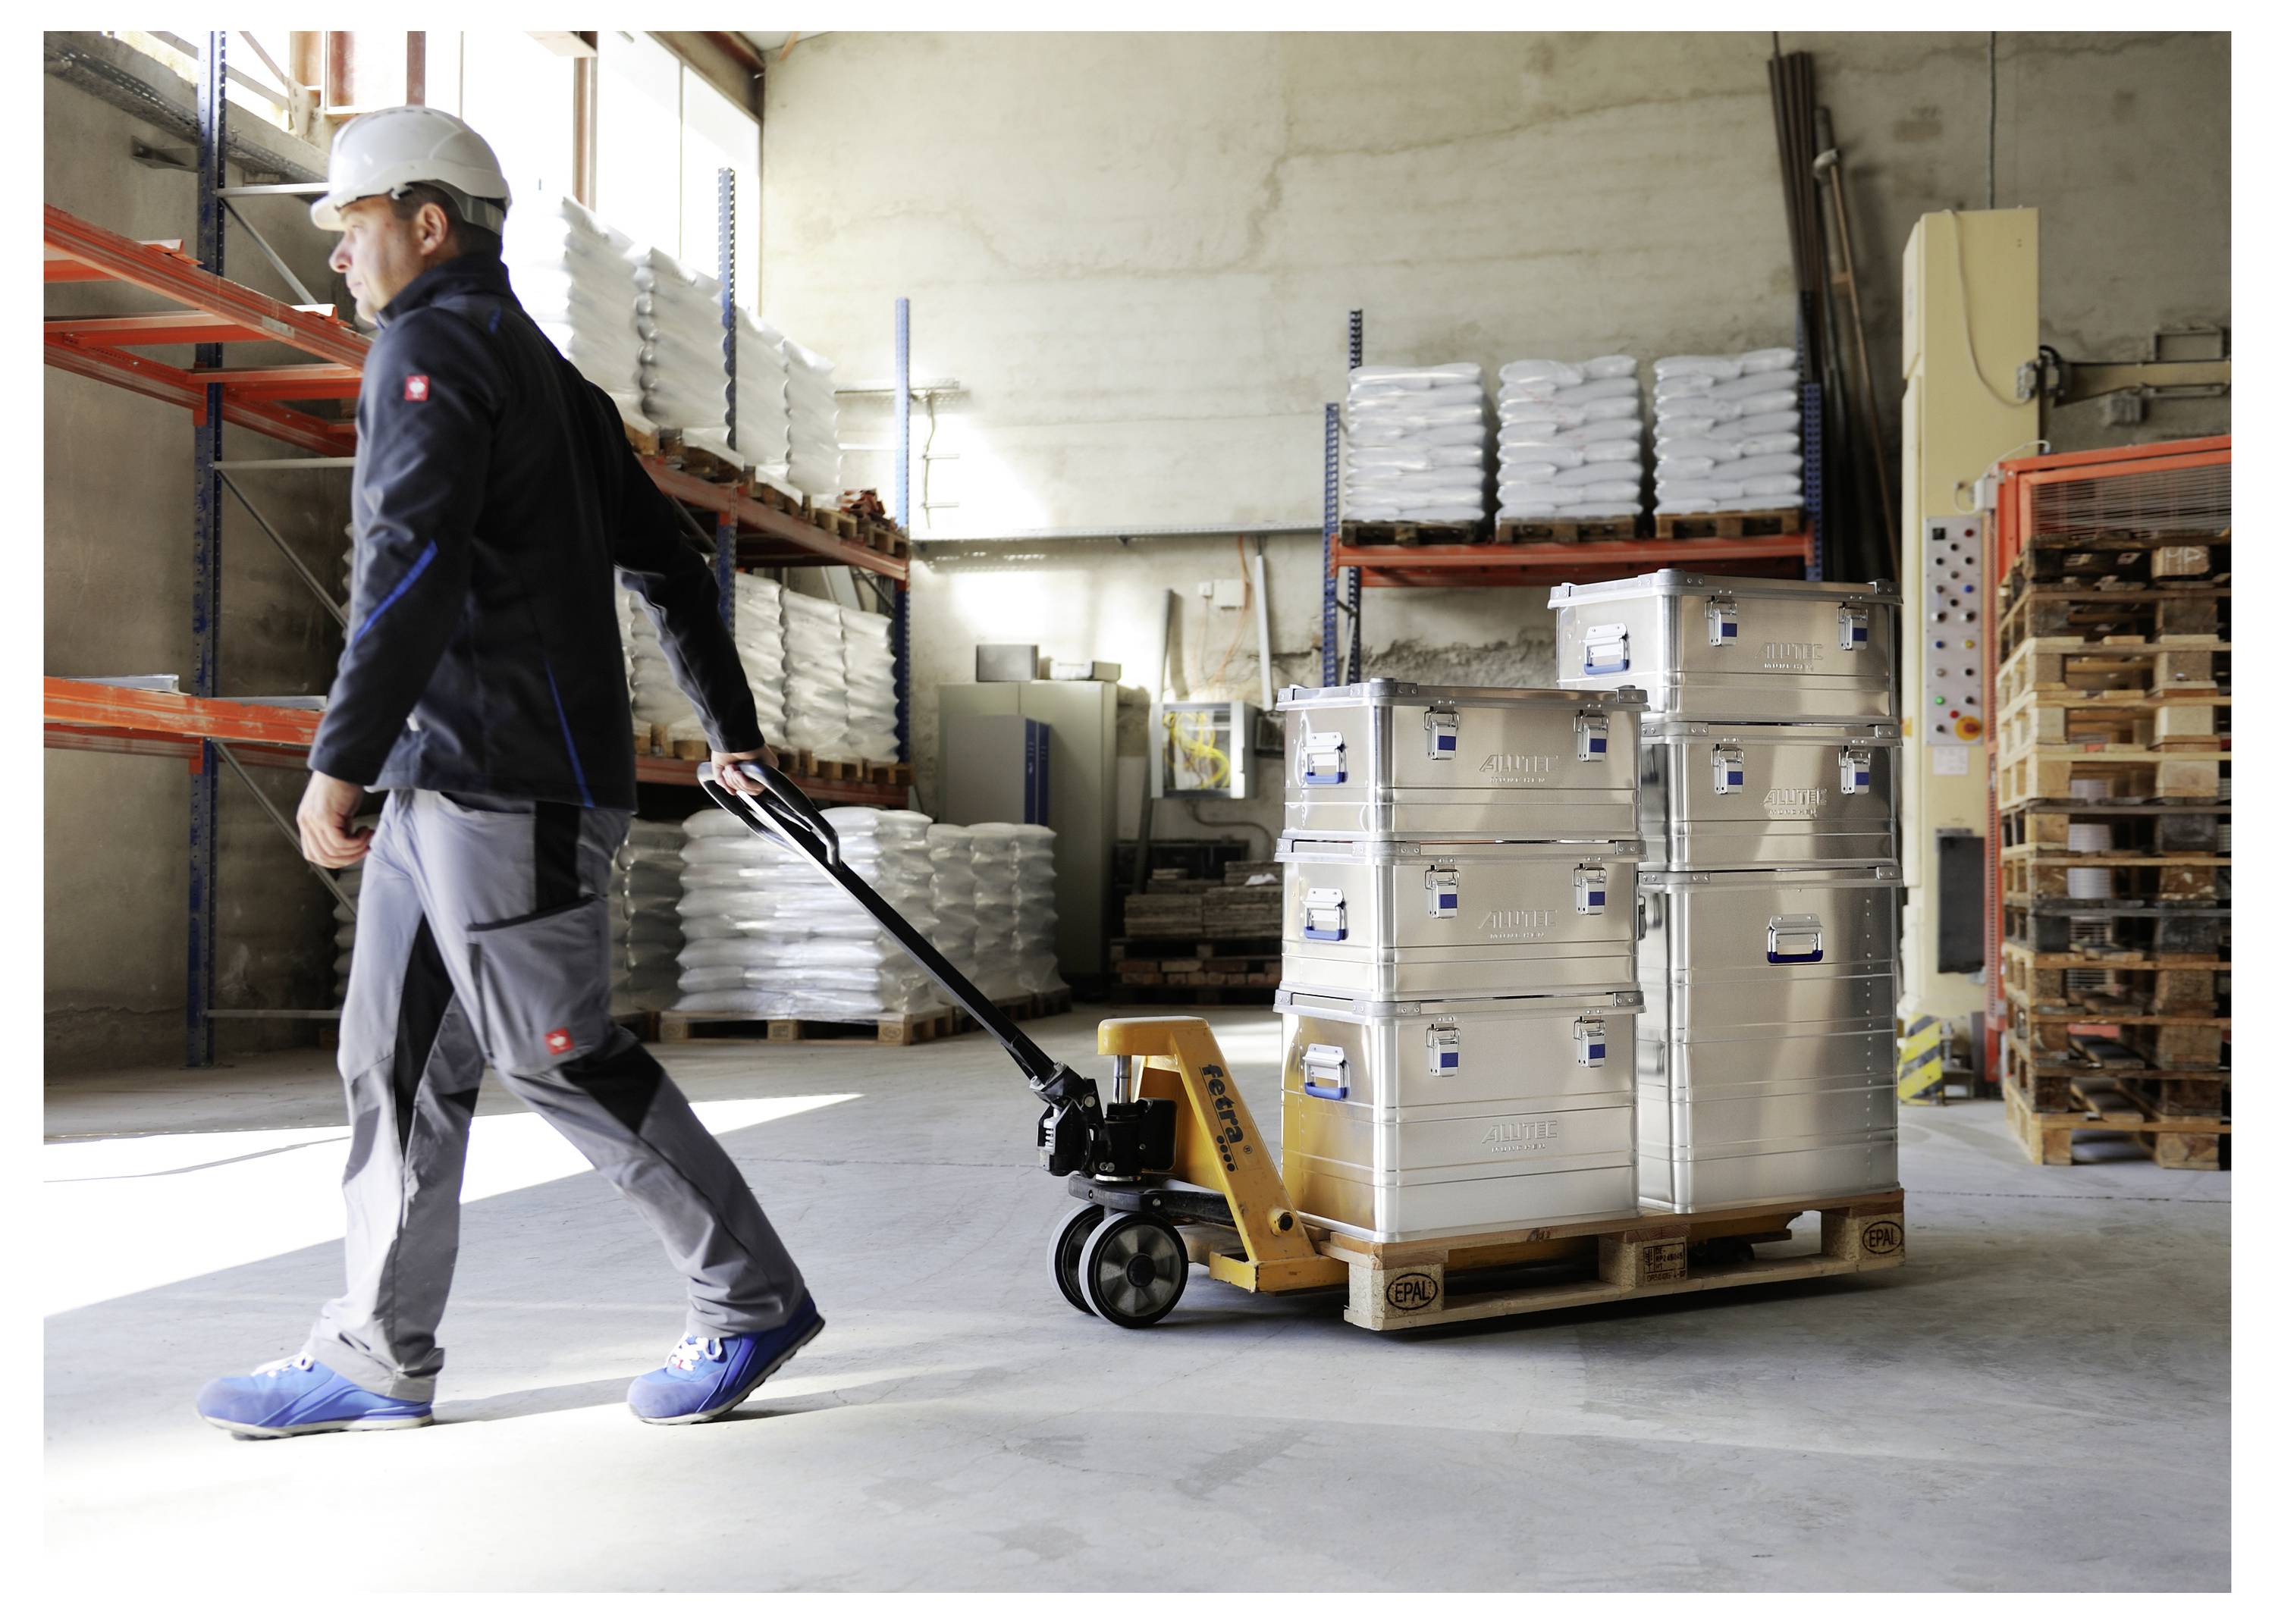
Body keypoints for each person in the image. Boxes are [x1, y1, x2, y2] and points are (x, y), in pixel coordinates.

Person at [196, 106, 820, 1438]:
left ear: (428, 224)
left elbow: (406, 573)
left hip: (508, 785)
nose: (340, 262)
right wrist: (737, 729)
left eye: (355, 229)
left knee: (558, 1055)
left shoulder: (435, 348)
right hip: (446, 785)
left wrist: (335, 761)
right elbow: (671, 562)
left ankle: (748, 1295)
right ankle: (377, 1350)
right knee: (395, 1056)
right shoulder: (546, 371)